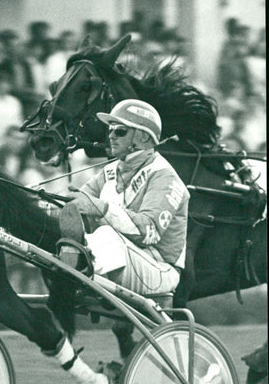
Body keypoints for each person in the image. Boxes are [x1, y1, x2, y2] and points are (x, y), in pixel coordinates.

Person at [58, 99, 189, 295]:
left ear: (144, 137)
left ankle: (71, 274)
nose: (111, 135)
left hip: (159, 268)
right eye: (110, 129)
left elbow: (149, 231)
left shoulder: (165, 176)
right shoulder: (110, 170)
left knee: (106, 235)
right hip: (124, 259)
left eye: (120, 131)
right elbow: (78, 203)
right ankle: (70, 271)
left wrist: (101, 209)